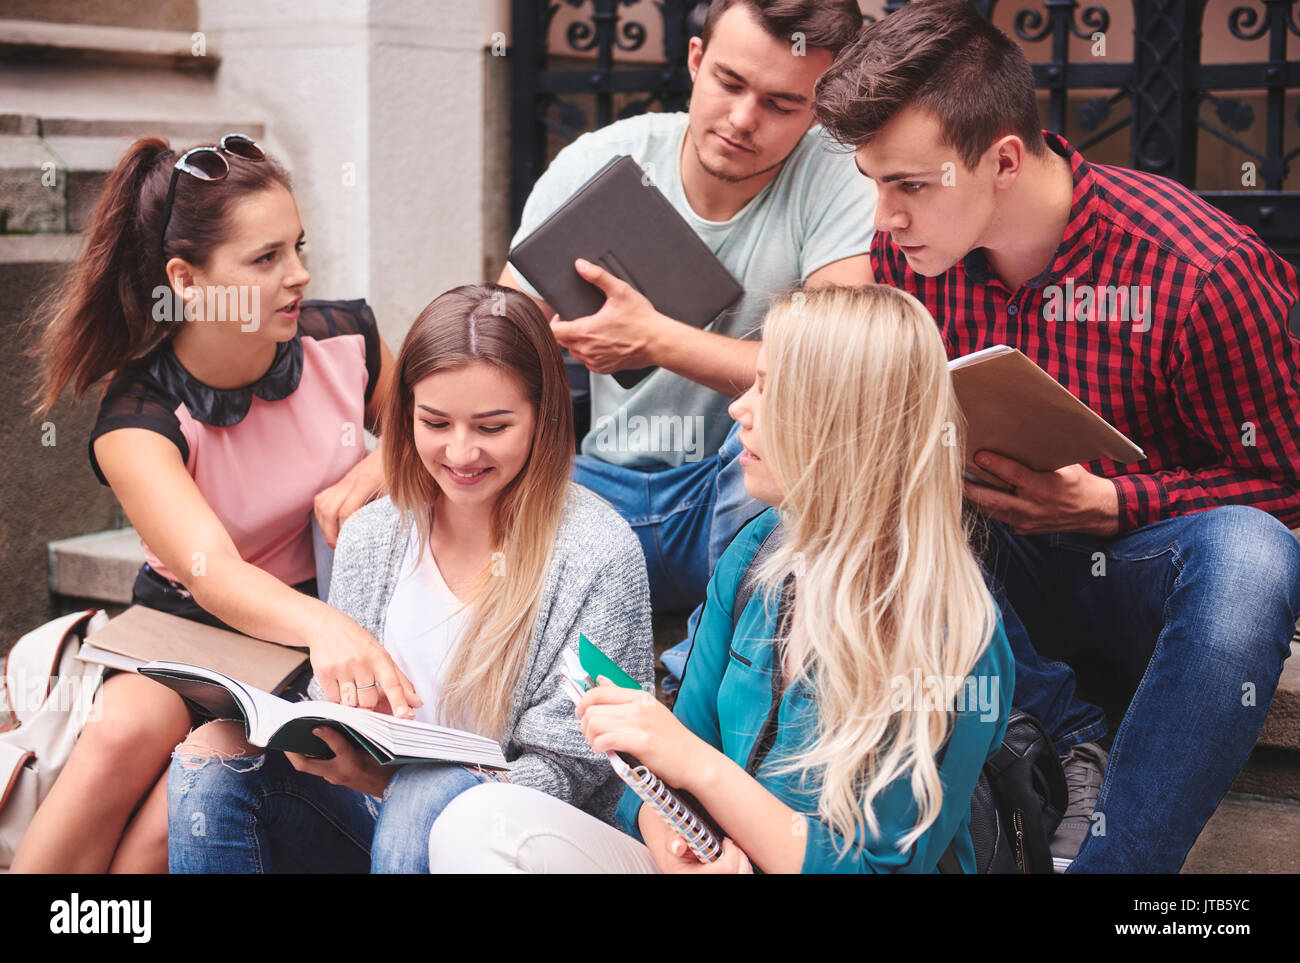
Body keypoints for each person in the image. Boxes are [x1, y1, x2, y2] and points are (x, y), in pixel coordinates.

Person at [813, 0, 1300, 873]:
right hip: (989, 583)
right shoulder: (909, 257)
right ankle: (1065, 730)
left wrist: (1113, 502)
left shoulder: (1199, 271)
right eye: (875, 182)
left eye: (910, 184)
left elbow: (1289, 479)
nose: (883, 216)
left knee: (1254, 556)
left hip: (1149, 588)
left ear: (1003, 159)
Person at [423, 285, 1015, 874]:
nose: (739, 409)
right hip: (714, 861)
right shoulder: (758, 553)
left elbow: (882, 867)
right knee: (477, 823)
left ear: (846, 422)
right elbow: (661, 775)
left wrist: (699, 768)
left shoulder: (952, 636)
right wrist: (669, 838)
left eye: (770, 389)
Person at [16, 135, 408, 873]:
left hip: (300, 647)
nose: (300, 274)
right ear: (186, 280)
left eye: (297, 246)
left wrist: (382, 464)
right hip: (189, 632)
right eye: (266, 259)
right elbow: (212, 574)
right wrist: (329, 629)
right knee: (121, 732)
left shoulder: (346, 340)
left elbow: (435, 433)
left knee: (161, 832)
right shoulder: (139, 414)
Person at [165, 284, 654, 873]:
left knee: (427, 796)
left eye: (493, 427)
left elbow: (575, 768)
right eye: (436, 422)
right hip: (373, 813)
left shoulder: (598, 553)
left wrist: (404, 782)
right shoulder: (376, 534)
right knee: (213, 755)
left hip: (515, 836)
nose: (461, 451)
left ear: (543, 418)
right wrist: (331, 740)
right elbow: (337, 698)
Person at [502, 0, 875, 683]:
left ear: (820, 110)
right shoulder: (603, 159)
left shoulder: (839, 179)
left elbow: (835, 375)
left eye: (781, 103)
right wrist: (397, 456)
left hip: (740, 493)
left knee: (801, 411)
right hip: (600, 490)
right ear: (696, 60)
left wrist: (656, 339)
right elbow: (495, 341)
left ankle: (685, 681)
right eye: (730, 83)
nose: (742, 120)